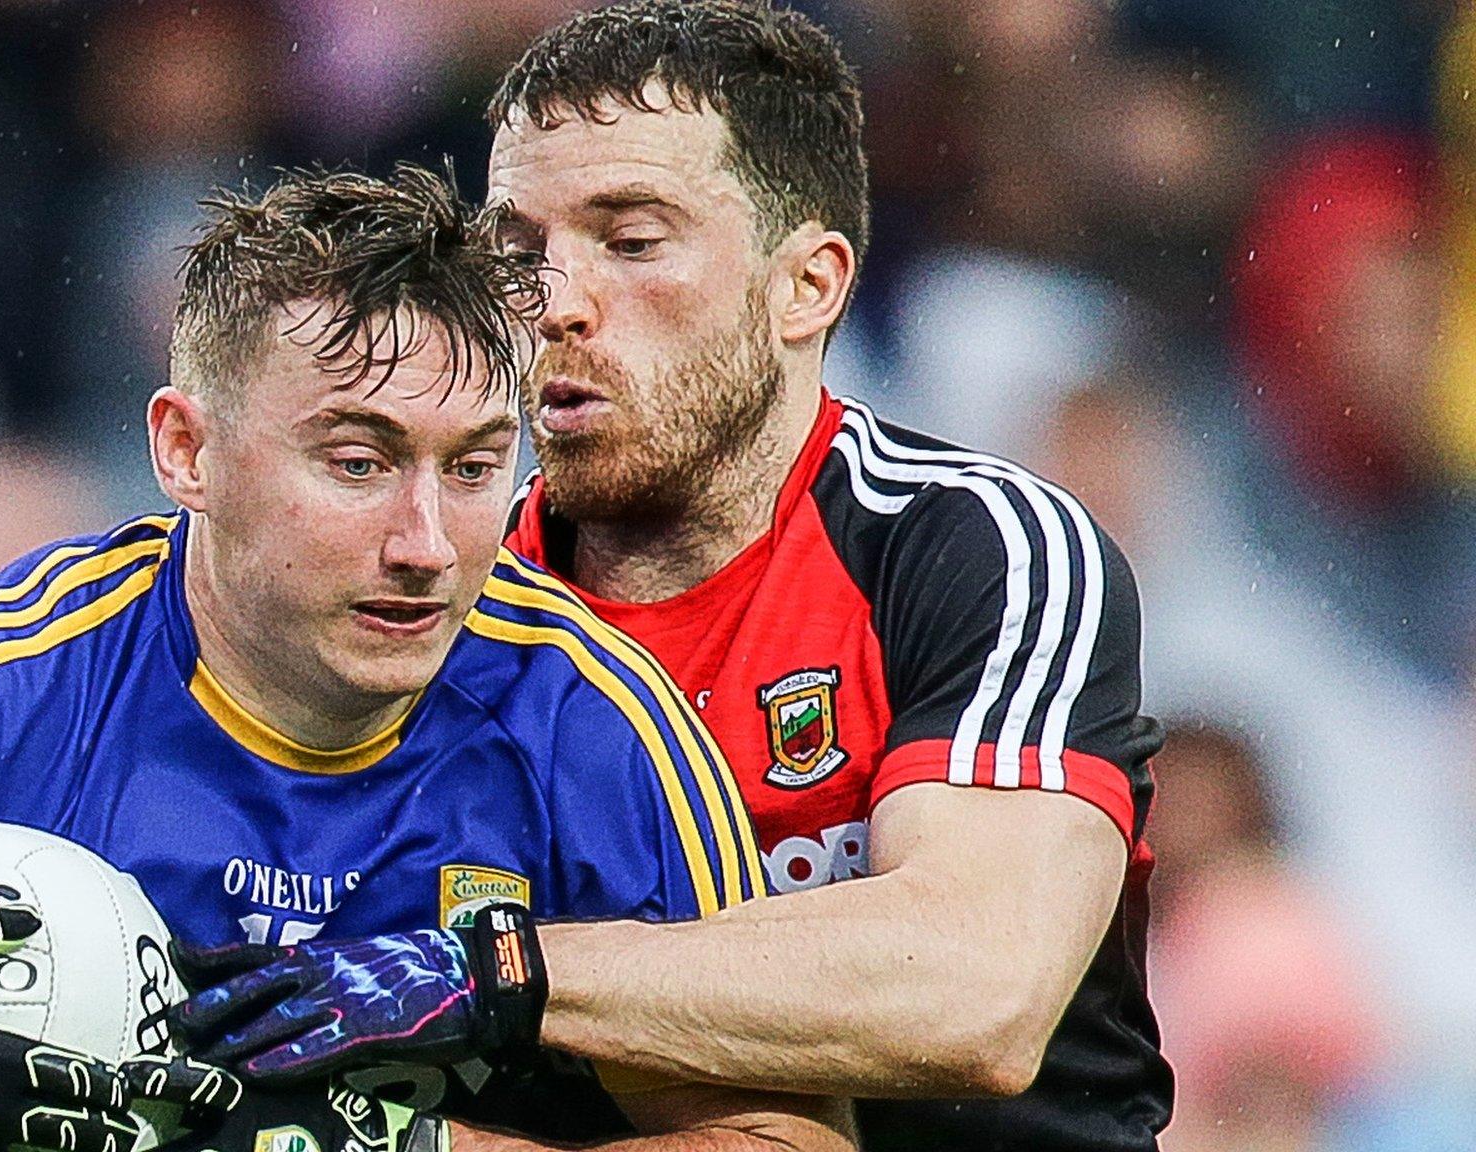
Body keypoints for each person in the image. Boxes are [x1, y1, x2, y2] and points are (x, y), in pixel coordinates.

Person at [0, 166, 847, 1152]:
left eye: (479, 468)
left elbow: (788, 1143)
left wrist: (388, 1151)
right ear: (186, 450)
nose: (429, 542)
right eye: (359, 462)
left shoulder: (594, 728)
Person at [168, 5, 1171, 1151]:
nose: (551, 303)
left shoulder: (975, 549)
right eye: (514, 253)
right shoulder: (429, 590)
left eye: (631, 240)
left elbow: (977, 993)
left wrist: (496, 971)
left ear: (806, 285)